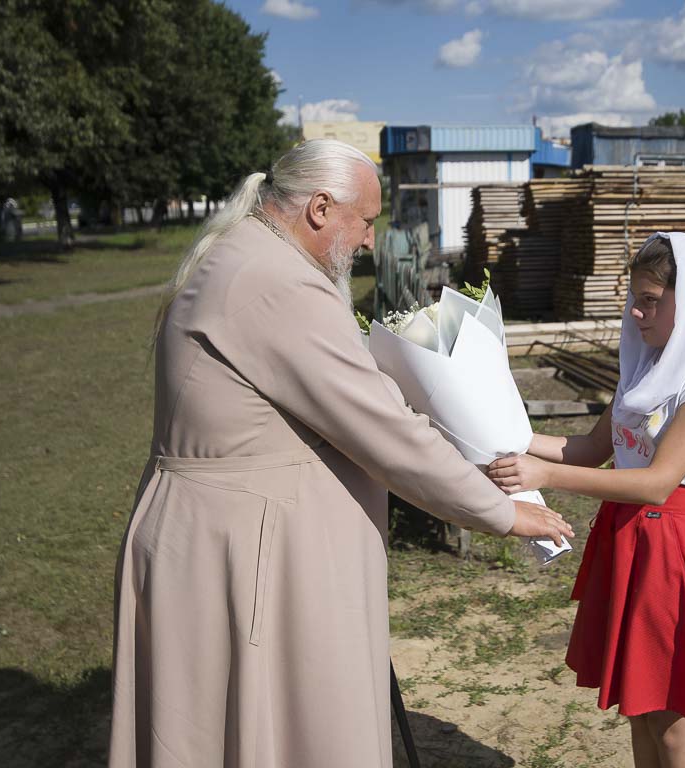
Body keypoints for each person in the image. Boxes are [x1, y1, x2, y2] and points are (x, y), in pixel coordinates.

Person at [108, 139, 573, 768]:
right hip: (241, 550)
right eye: (366, 221)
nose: (368, 242)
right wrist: (500, 511)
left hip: (232, 537)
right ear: (321, 208)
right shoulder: (277, 282)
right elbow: (379, 428)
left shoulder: (250, 256)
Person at [488, 232, 685, 768]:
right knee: (639, 706)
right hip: (631, 540)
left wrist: (545, 476)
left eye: (651, 300)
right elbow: (588, 448)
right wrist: (501, 429)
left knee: (671, 722)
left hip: (672, 552)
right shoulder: (646, 368)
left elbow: (657, 482)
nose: (635, 311)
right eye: (635, 296)